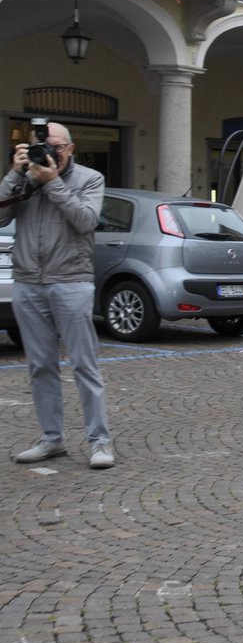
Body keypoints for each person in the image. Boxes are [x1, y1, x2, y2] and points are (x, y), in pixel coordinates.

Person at [1, 121, 114, 468]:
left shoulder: (90, 179)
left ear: (71, 148)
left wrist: (53, 184)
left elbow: (85, 221)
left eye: (56, 147)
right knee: (40, 366)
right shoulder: (26, 177)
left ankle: (100, 443)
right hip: (28, 281)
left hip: (71, 280)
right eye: (43, 146)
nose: (50, 153)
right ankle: (52, 440)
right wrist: (14, 174)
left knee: (84, 365)